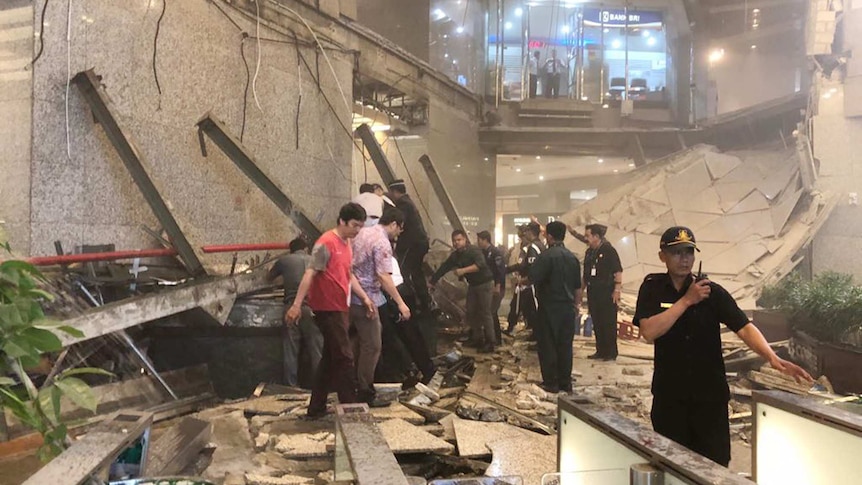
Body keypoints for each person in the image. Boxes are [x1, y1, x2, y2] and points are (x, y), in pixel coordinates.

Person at [634, 226, 813, 466]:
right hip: (670, 398)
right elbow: (649, 331)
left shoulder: (713, 293)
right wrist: (687, 301)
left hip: (709, 399)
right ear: (662, 256)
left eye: (689, 252)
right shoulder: (652, 289)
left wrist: (771, 357)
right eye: (677, 252)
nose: (684, 259)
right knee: (671, 465)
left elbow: (743, 326)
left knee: (714, 464)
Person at [286, 202, 377, 418]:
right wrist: (297, 305)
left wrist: (364, 297)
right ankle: (350, 409)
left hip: (339, 307)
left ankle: (316, 408)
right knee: (345, 358)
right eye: (354, 225)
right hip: (326, 308)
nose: (357, 231)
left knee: (329, 360)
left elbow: (348, 276)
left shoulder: (346, 244)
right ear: (342, 221)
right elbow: (310, 273)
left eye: (360, 227)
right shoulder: (326, 243)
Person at [349, 205, 412, 404]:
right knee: (373, 346)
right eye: (399, 229)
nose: (398, 234)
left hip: (351, 294)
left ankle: (350, 383)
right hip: (367, 299)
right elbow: (383, 276)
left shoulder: (362, 233)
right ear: (393, 224)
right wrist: (401, 303)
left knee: (356, 342)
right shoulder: (382, 243)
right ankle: (364, 390)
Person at [528, 221, 582, 393]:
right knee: (565, 345)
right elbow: (578, 286)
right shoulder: (572, 257)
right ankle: (565, 382)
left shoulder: (546, 257)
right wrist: (576, 306)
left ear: (549, 236)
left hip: (549, 307)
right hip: (567, 308)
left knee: (548, 344)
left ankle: (551, 382)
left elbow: (533, 277)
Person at [268, 237, 324, 388]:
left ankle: (291, 386)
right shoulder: (315, 260)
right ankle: (320, 387)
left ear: (291, 250)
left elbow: (268, 278)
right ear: (306, 249)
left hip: (292, 307)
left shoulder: (284, 260)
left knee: (291, 349)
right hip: (313, 309)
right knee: (316, 348)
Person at [430, 230, 496, 352]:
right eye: (454, 241)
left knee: (485, 313)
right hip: (473, 285)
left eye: (459, 240)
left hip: (484, 284)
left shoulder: (474, 251)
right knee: (470, 311)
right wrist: (432, 281)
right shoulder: (455, 255)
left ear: (465, 239)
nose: (456, 243)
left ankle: (490, 342)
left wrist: (463, 271)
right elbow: (444, 267)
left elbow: (480, 264)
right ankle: (477, 339)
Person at [388, 179, 432, 315]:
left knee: (402, 272)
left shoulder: (402, 204)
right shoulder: (408, 202)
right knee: (416, 272)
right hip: (419, 243)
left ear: (395, 192)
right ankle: (425, 304)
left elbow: (400, 221)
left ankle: (408, 303)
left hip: (411, 244)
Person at [583, 223, 623, 361]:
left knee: (608, 322)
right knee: (597, 321)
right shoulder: (589, 252)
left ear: (596, 236)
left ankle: (611, 352)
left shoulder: (608, 250)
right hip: (593, 292)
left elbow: (617, 270)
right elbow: (586, 274)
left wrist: (617, 289)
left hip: (607, 292)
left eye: (588, 235)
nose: (586, 238)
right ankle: (600, 350)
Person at [505, 222, 544, 338]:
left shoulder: (533, 248)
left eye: (525, 232)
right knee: (528, 308)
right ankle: (533, 332)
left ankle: (534, 334)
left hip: (528, 284)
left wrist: (524, 280)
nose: (523, 234)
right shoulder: (539, 245)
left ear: (530, 232)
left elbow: (528, 267)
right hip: (529, 283)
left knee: (521, 307)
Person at [476, 230, 506, 344]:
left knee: (491, 312)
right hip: (488, 286)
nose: (477, 242)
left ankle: (496, 339)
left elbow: (500, 271)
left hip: (497, 287)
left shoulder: (495, 252)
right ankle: (492, 337)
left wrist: (497, 285)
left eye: (479, 240)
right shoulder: (483, 252)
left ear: (485, 240)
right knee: (489, 312)